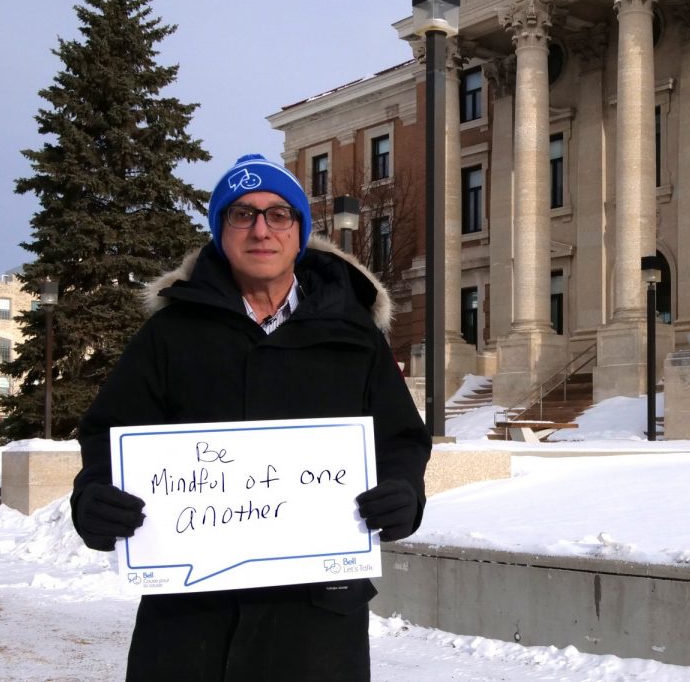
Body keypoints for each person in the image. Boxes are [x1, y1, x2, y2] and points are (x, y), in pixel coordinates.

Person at [70, 153, 431, 681]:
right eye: (242, 214)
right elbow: (109, 434)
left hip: (316, 624)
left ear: (300, 230)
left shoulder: (354, 335)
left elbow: (401, 438)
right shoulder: (170, 335)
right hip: (190, 622)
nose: (261, 228)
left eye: (278, 214)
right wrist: (94, 498)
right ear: (221, 231)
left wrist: (404, 492)